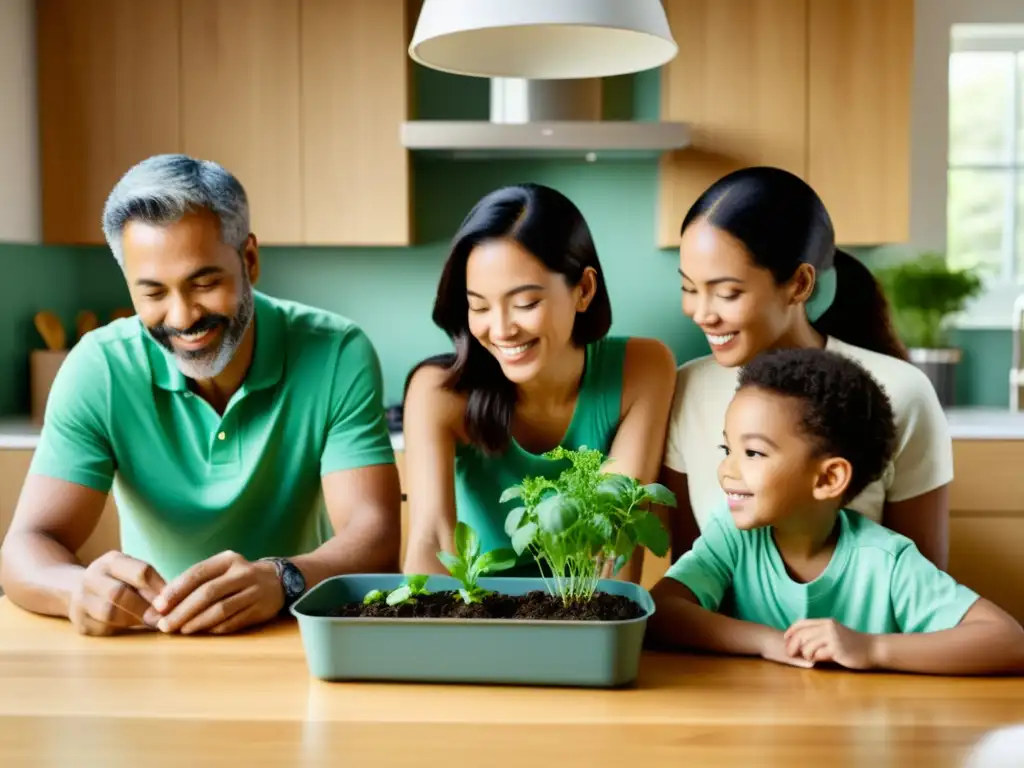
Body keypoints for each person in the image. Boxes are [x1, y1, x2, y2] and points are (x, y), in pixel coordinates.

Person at [0, 154, 402, 637]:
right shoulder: (98, 367)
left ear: (249, 259)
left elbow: (374, 537)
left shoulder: (336, 350)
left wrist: (281, 578)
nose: (183, 316)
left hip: (291, 631)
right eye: (152, 293)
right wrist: (75, 588)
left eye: (205, 283)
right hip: (151, 637)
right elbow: (28, 544)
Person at [649, 347, 1023, 675]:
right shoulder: (731, 536)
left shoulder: (886, 562)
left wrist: (870, 648)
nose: (726, 471)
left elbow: (1008, 641)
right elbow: (661, 610)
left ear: (829, 478)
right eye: (726, 449)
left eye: (753, 453)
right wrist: (768, 642)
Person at [661, 166, 952, 568]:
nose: (701, 313)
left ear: (799, 283)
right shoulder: (687, 388)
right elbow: (689, 580)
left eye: (727, 293)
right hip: (721, 633)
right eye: (689, 289)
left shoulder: (900, 391)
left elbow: (924, 587)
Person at [401, 183, 676, 580]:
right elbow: (431, 540)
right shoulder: (438, 393)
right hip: (477, 616)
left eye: (525, 303)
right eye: (478, 305)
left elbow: (614, 537)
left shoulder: (644, 369)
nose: (501, 329)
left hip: (586, 610)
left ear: (583, 290)